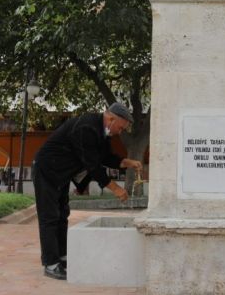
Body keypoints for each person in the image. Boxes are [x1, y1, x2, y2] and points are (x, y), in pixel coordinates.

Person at [32, 102, 143, 280]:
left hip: (61, 173)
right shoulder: (87, 127)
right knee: (49, 216)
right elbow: (93, 166)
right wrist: (115, 188)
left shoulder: (102, 132)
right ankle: (50, 264)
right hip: (46, 170)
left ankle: (62, 257)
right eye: (121, 128)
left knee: (62, 215)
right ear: (111, 119)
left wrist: (127, 162)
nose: (120, 132)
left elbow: (106, 157)